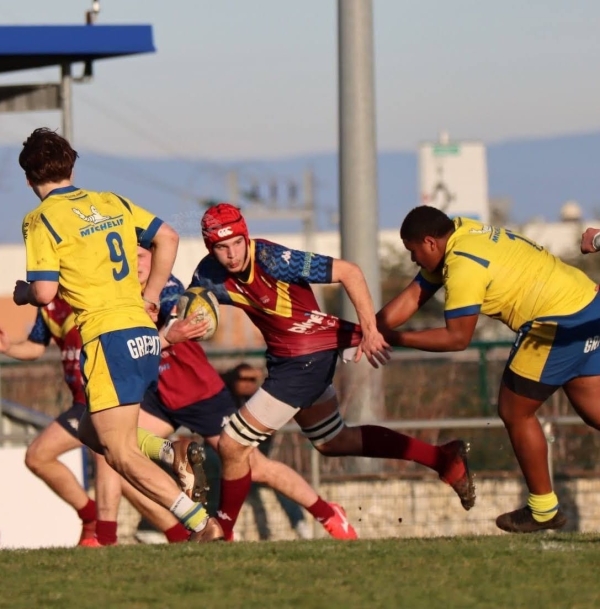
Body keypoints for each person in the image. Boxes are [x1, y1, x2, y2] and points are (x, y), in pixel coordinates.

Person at [190, 202, 475, 540]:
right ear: (211, 248)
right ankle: (442, 459)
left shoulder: (273, 259)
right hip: (287, 359)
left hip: (307, 358)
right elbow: (187, 300)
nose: (232, 254)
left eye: (237, 242)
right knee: (333, 441)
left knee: (233, 444)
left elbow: (349, 271)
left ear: (246, 236)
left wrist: (370, 329)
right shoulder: (207, 274)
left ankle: (222, 529)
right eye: (222, 247)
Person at [14, 127, 221, 542]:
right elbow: (168, 236)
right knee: (93, 431)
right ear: (71, 165)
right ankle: (170, 451)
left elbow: (45, 292)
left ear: (28, 177)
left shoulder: (40, 219)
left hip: (107, 337)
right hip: (143, 335)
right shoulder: (110, 201)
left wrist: (24, 294)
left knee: (120, 455)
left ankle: (201, 524)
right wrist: (149, 295)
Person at [98, 247, 361, 542]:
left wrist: (176, 325)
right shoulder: (119, 296)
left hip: (200, 395)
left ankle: (327, 513)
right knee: (113, 449)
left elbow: (184, 318)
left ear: (156, 259)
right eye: (127, 258)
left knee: (256, 467)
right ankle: (110, 537)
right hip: (159, 394)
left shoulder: (167, 288)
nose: (134, 265)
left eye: (141, 257)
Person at [376, 205, 600, 533]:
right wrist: (369, 329)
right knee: (595, 411)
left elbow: (456, 339)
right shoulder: (463, 230)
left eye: (413, 252)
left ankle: (543, 509)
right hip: (587, 302)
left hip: (556, 322)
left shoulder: (463, 266)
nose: (413, 260)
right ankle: (544, 508)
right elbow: (413, 297)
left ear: (430, 242)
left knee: (515, 410)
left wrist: (394, 338)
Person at [222, 363, 312, 540]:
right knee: (218, 487)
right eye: (244, 379)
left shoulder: (260, 403)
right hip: (228, 467)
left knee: (282, 484)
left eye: (253, 379)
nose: (249, 383)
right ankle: (222, 529)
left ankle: (300, 524)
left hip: (256, 464)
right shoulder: (224, 402)